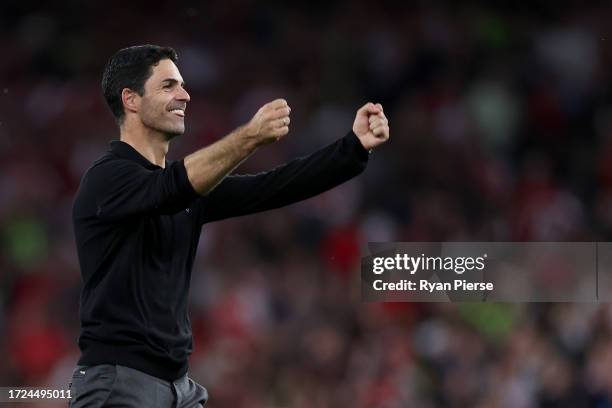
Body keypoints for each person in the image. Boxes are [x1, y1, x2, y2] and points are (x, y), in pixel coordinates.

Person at [69, 44, 390, 407]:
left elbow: (272, 187)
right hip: (120, 383)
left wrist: (354, 148)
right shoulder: (107, 179)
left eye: (183, 85)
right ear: (131, 99)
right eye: (168, 85)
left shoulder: (181, 191)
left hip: (178, 388)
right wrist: (250, 136)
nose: (184, 95)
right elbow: (171, 187)